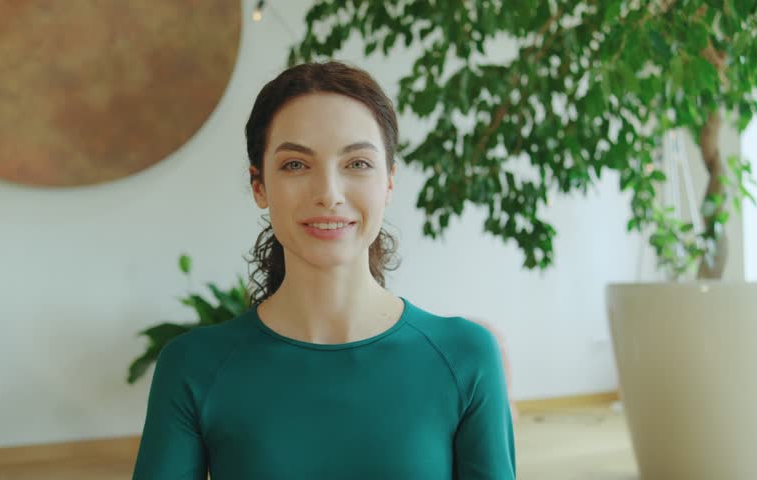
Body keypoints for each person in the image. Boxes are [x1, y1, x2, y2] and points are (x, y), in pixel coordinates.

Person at [132, 61, 516, 479]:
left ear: (389, 182)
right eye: (296, 164)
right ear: (259, 185)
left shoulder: (467, 358)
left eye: (357, 164)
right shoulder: (192, 367)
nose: (329, 194)